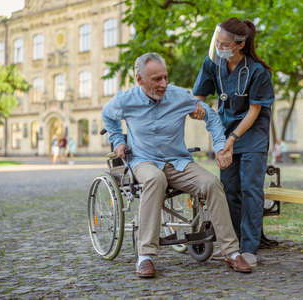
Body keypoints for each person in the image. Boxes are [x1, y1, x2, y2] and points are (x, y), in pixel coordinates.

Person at [102, 52, 252, 278]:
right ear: (139, 79)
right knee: (155, 178)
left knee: (211, 183)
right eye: (156, 79)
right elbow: (108, 115)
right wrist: (117, 140)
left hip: (178, 161)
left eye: (165, 77)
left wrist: (221, 147)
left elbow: (211, 117)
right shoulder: (126, 100)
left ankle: (231, 252)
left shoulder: (180, 96)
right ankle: (146, 256)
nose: (163, 84)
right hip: (144, 161)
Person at [193, 18, 275, 267]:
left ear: (239, 45)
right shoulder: (213, 64)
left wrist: (232, 138)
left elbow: (253, 112)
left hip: (252, 136)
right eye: (218, 42)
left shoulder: (258, 72)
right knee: (229, 190)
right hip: (224, 133)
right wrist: (198, 108)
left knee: (250, 189)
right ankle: (233, 246)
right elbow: (199, 95)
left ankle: (249, 247)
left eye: (225, 44)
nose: (219, 47)